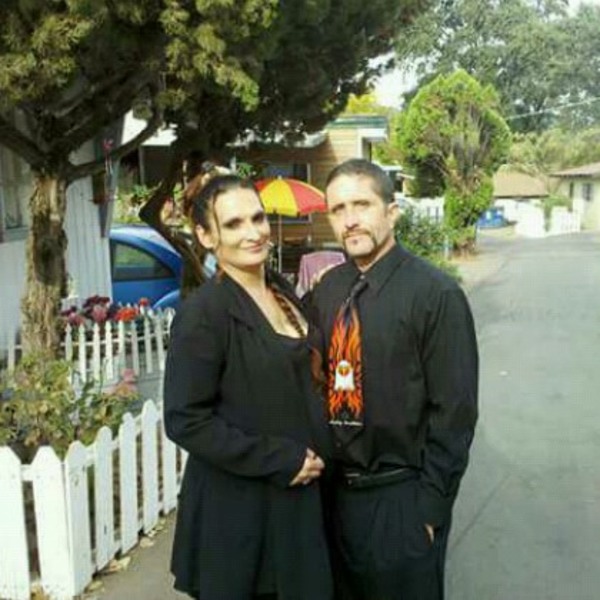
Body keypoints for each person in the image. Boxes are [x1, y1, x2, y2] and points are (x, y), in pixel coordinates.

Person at [309, 159, 478, 600]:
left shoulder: (436, 295)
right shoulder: (326, 292)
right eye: (338, 209)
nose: (350, 219)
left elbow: (455, 412)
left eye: (362, 204)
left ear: (392, 211)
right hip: (333, 500)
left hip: (402, 500)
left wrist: (430, 510)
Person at [163, 173, 333, 600]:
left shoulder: (281, 289)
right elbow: (185, 420)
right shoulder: (204, 313)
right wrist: (279, 458)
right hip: (243, 513)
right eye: (234, 224)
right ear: (206, 236)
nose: (253, 233)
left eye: (257, 218)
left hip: (299, 505)